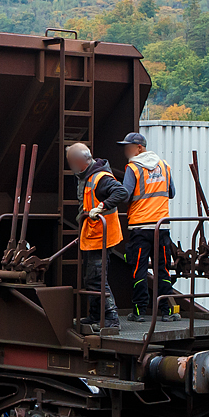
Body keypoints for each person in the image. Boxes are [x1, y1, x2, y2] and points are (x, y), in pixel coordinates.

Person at [117, 132, 180, 321]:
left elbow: (125, 195)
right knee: (163, 269)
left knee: (139, 270)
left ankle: (139, 312)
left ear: (139, 148)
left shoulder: (133, 168)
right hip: (161, 227)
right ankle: (167, 312)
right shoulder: (164, 165)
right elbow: (172, 192)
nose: (126, 151)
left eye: (129, 147)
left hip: (140, 227)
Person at [66, 141, 129, 329]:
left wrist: (101, 207)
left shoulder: (100, 178)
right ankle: (95, 315)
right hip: (93, 235)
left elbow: (121, 193)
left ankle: (111, 317)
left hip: (102, 236)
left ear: (80, 162)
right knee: (91, 278)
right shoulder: (87, 176)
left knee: (97, 278)